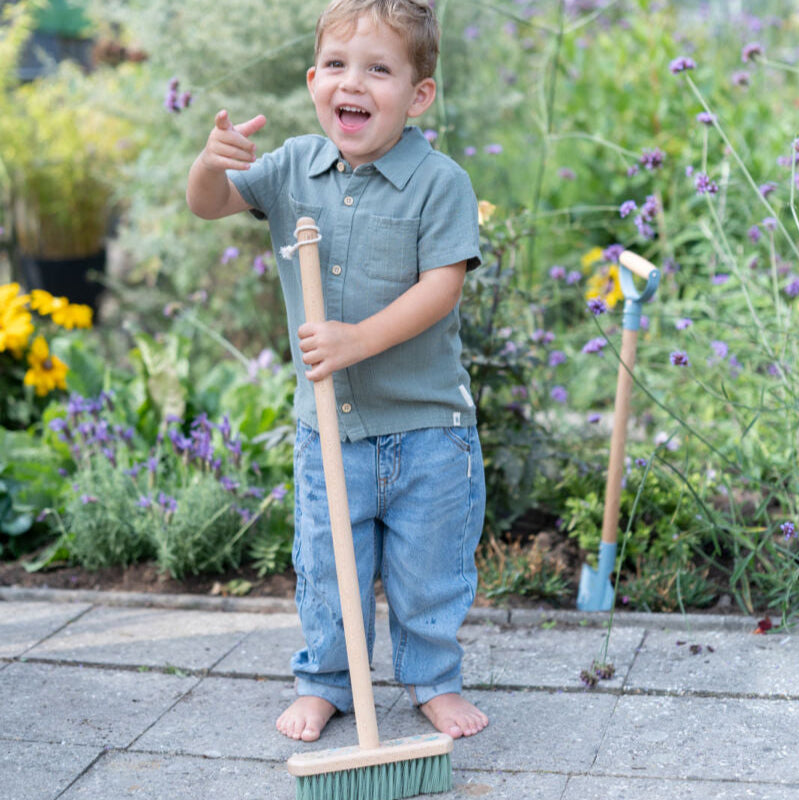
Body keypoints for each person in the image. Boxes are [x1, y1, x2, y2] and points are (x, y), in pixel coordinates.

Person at [186, 0, 488, 744]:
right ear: (315, 77)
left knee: (430, 572)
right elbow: (209, 205)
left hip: (427, 429)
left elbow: (441, 287)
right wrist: (209, 161)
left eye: (379, 69)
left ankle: (431, 679)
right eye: (338, 66)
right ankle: (326, 681)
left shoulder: (439, 182)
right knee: (327, 568)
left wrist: (358, 340)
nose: (353, 83)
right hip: (332, 430)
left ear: (419, 95)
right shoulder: (290, 167)